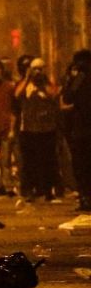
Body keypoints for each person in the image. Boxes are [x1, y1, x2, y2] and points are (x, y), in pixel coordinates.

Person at [15, 58, 60, 200]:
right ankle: (29, 189)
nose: (38, 72)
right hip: (28, 129)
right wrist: (28, 78)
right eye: (35, 69)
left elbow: (53, 94)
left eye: (40, 69)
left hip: (47, 129)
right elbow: (17, 94)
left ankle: (47, 189)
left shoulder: (47, 84)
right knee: (29, 162)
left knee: (47, 160)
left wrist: (43, 82)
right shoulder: (25, 84)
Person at [61, 50, 91, 212]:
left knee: (82, 166)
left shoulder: (80, 78)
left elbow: (68, 96)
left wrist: (73, 79)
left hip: (82, 130)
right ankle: (86, 197)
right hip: (81, 130)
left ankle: (86, 197)